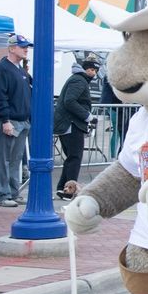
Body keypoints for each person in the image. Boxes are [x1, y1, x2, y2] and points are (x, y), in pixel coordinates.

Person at [0, 33, 33, 207]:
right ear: (11, 48)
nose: (26, 49)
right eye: (23, 46)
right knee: (4, 158)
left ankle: (13, 192)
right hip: (10, 120)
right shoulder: (2, 69)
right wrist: (5, 120)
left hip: (21, 121)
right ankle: (3, 194)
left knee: (15, 160)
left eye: (26, 46)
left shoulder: (20, 70)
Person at [54, 58, 100, 199]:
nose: (94, 73)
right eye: (91, 70)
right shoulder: (79, 80)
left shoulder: (77, 79)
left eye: (96, 71)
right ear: (85, 69)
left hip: (68, 123)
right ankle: (70, 191)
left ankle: (63, 188)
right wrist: (88, 116)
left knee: (71, 158)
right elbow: (70, 101)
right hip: (71, 124)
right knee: (75, 158)